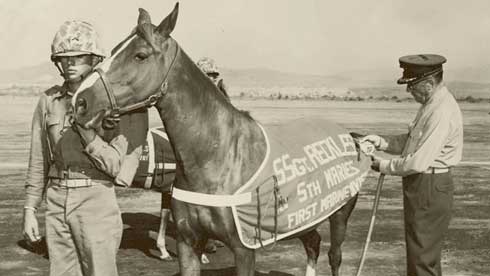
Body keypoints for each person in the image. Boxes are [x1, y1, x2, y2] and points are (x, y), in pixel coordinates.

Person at [22, 20, 147, 276]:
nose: (70, 63)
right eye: (64, 58)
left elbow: (116, 166)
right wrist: (30, 209)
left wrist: (87, 131)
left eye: (78, 57)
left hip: (96, 201)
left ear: (94, 59)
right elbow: (38, 160)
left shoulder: (115, 105)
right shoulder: (48, 101)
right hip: (56, 202)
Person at [361, 54, 463, 276]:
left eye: (412, 86)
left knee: (422, 259)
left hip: (429, 185)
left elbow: (418, 160)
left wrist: (383, 166)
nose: (409, 92)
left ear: (428, 84)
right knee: (423, 254)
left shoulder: (441, 111)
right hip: (424, 184)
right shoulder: (432, 104)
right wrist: (380, 141)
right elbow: (411, 142)